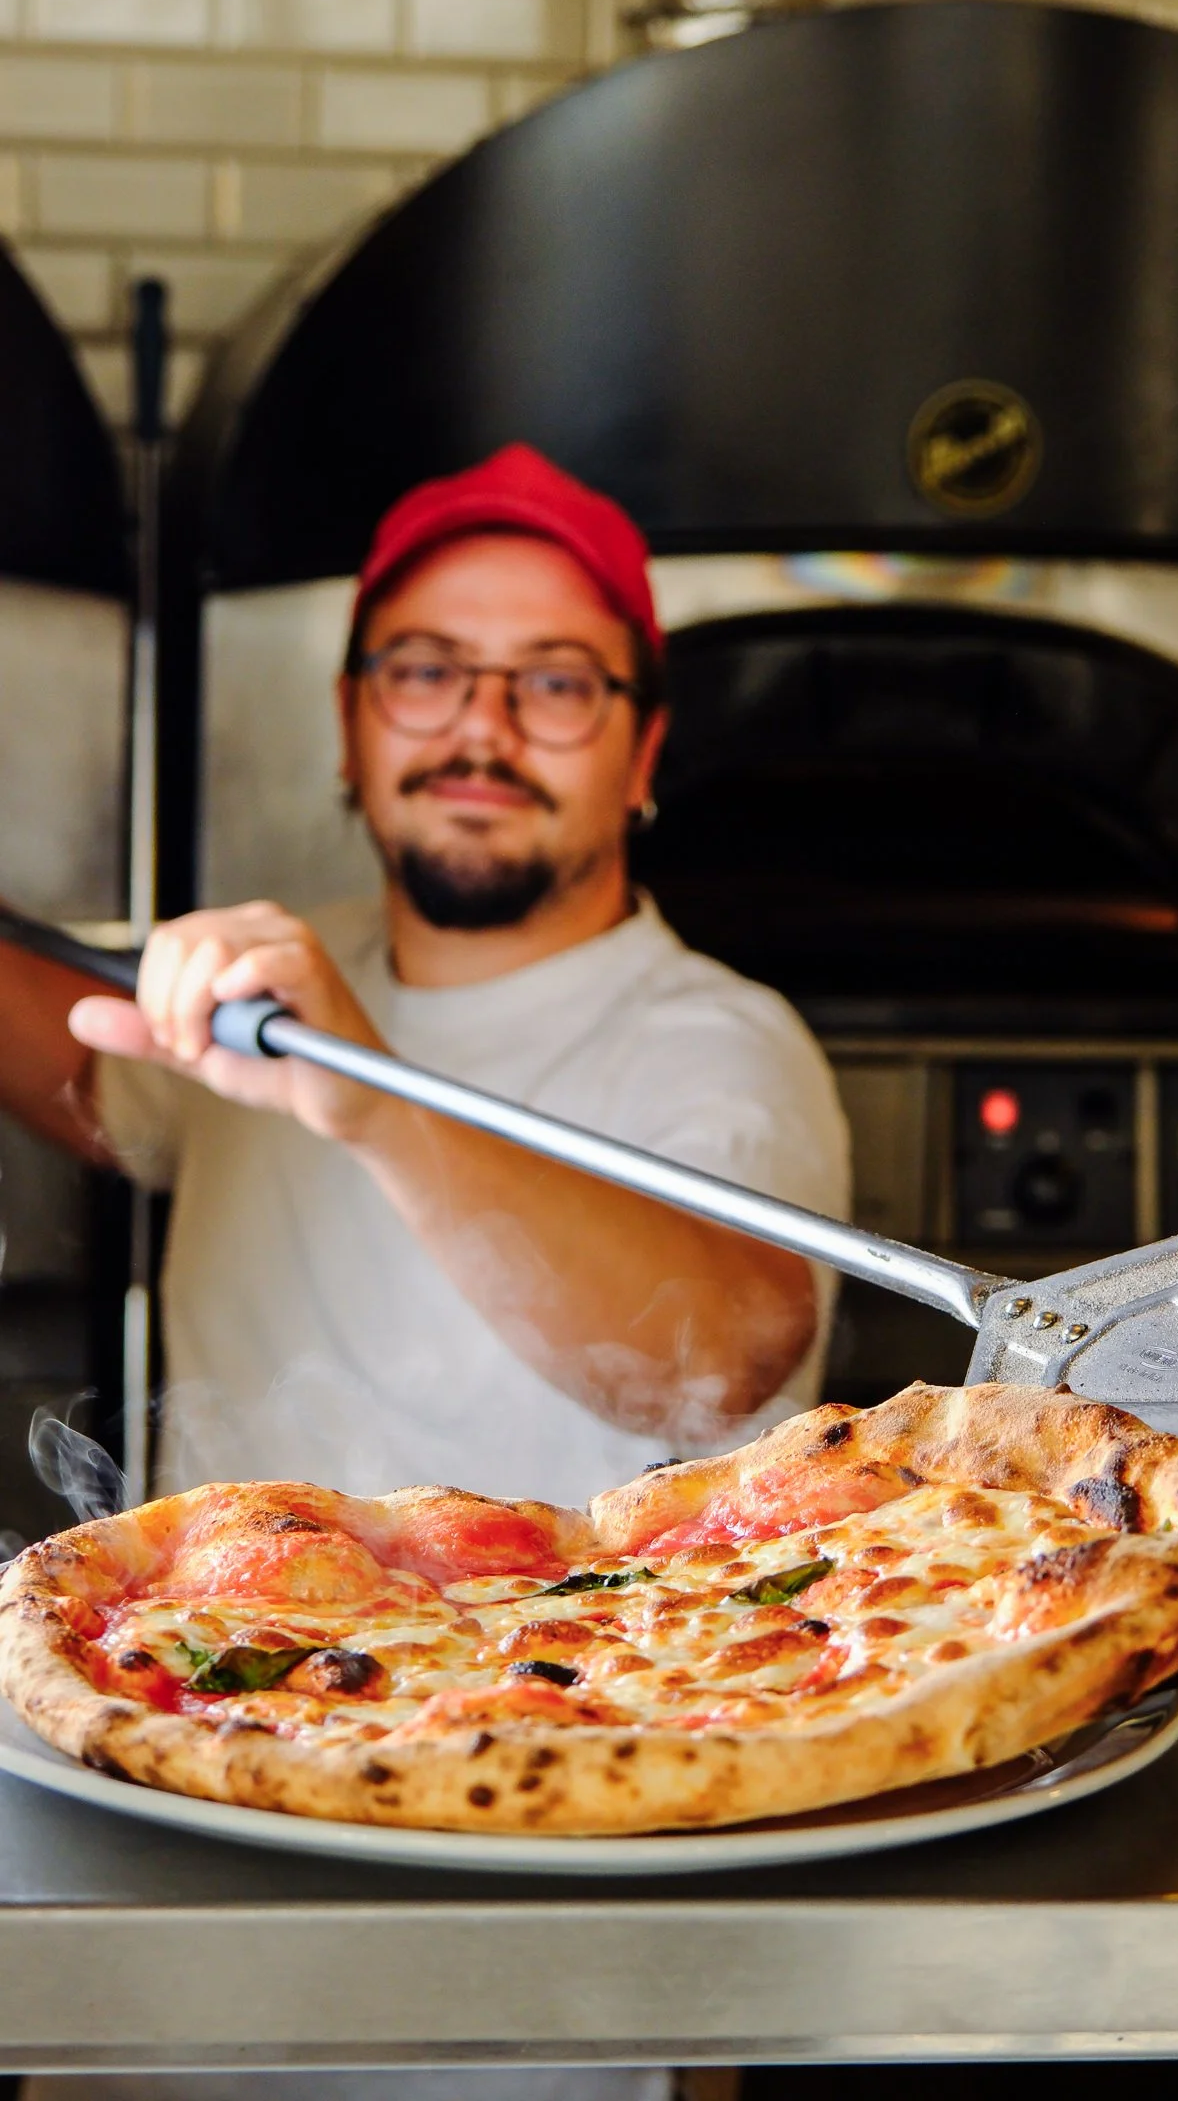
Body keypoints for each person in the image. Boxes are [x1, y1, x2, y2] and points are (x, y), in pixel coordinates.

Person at [3, 444, 849, 2101]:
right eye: (427, 670)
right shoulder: (267, 978)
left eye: (553, 683)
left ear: (643, 749)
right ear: (349, 724)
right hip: (190, 1873)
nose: (479, 727)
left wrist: (366, 1095)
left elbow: (715, 1352)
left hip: (546, 1938)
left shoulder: (720, 1046)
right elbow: (69, 1051)